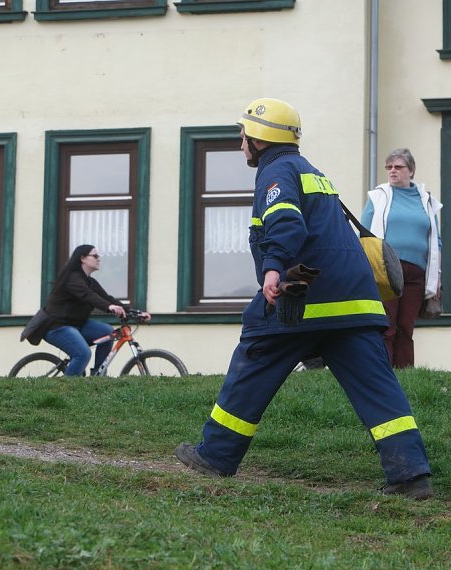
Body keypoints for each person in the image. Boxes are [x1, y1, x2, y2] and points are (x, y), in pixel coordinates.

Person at [174, 98, 434, 500]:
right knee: (378, 388)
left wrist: (274, 269)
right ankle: (411, 475)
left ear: (260, 139)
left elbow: (286, 222)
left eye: (243, 134)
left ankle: (216, 455)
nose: (240, 141)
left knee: (254, 361)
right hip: (357, 302)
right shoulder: (311, 170)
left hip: (304, 294)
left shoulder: (275, 172)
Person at [361, 148, 442, 368]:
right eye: (389, 167)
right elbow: (364, 234)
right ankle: (384, 371)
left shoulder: (427, 201)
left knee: (406, 325)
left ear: (411, 171)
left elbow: (436, 240)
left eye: (398, 167)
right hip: (386, 270)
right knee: (387, 324)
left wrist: (437, 278)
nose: (392, 171)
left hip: (417, 273)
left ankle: (406, 374)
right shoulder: (378, 197)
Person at [41, 244, 150, 376]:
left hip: (77, 324)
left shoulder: (90, 282)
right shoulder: (72, 278)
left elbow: (108, 298)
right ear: (83, 258)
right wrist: (109, 307)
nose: (99, 259)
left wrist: (136, 312)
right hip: (57, 326)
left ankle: (97, 377)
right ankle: (67, 389)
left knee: (108, 332)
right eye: (95, 256)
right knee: (83, 354)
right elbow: (88, 295)